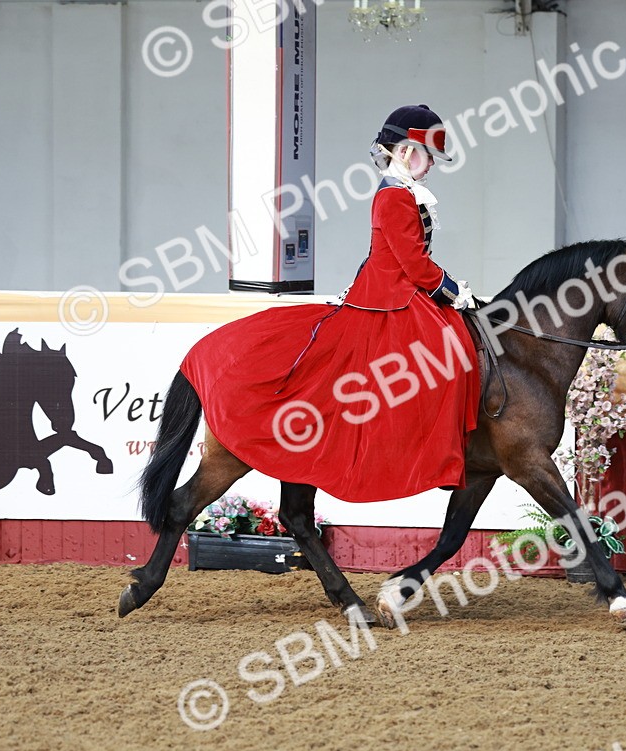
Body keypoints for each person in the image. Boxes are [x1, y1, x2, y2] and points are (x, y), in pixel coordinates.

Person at [179, 104, 481, 503]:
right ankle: (434, 454)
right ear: (407, 152)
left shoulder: (404, 193)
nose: (431, 167)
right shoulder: (395, 196)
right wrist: (453, 291)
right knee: (448, 354)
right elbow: (413, 264)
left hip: (390, 290)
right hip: (393, 297)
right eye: (427, 157)